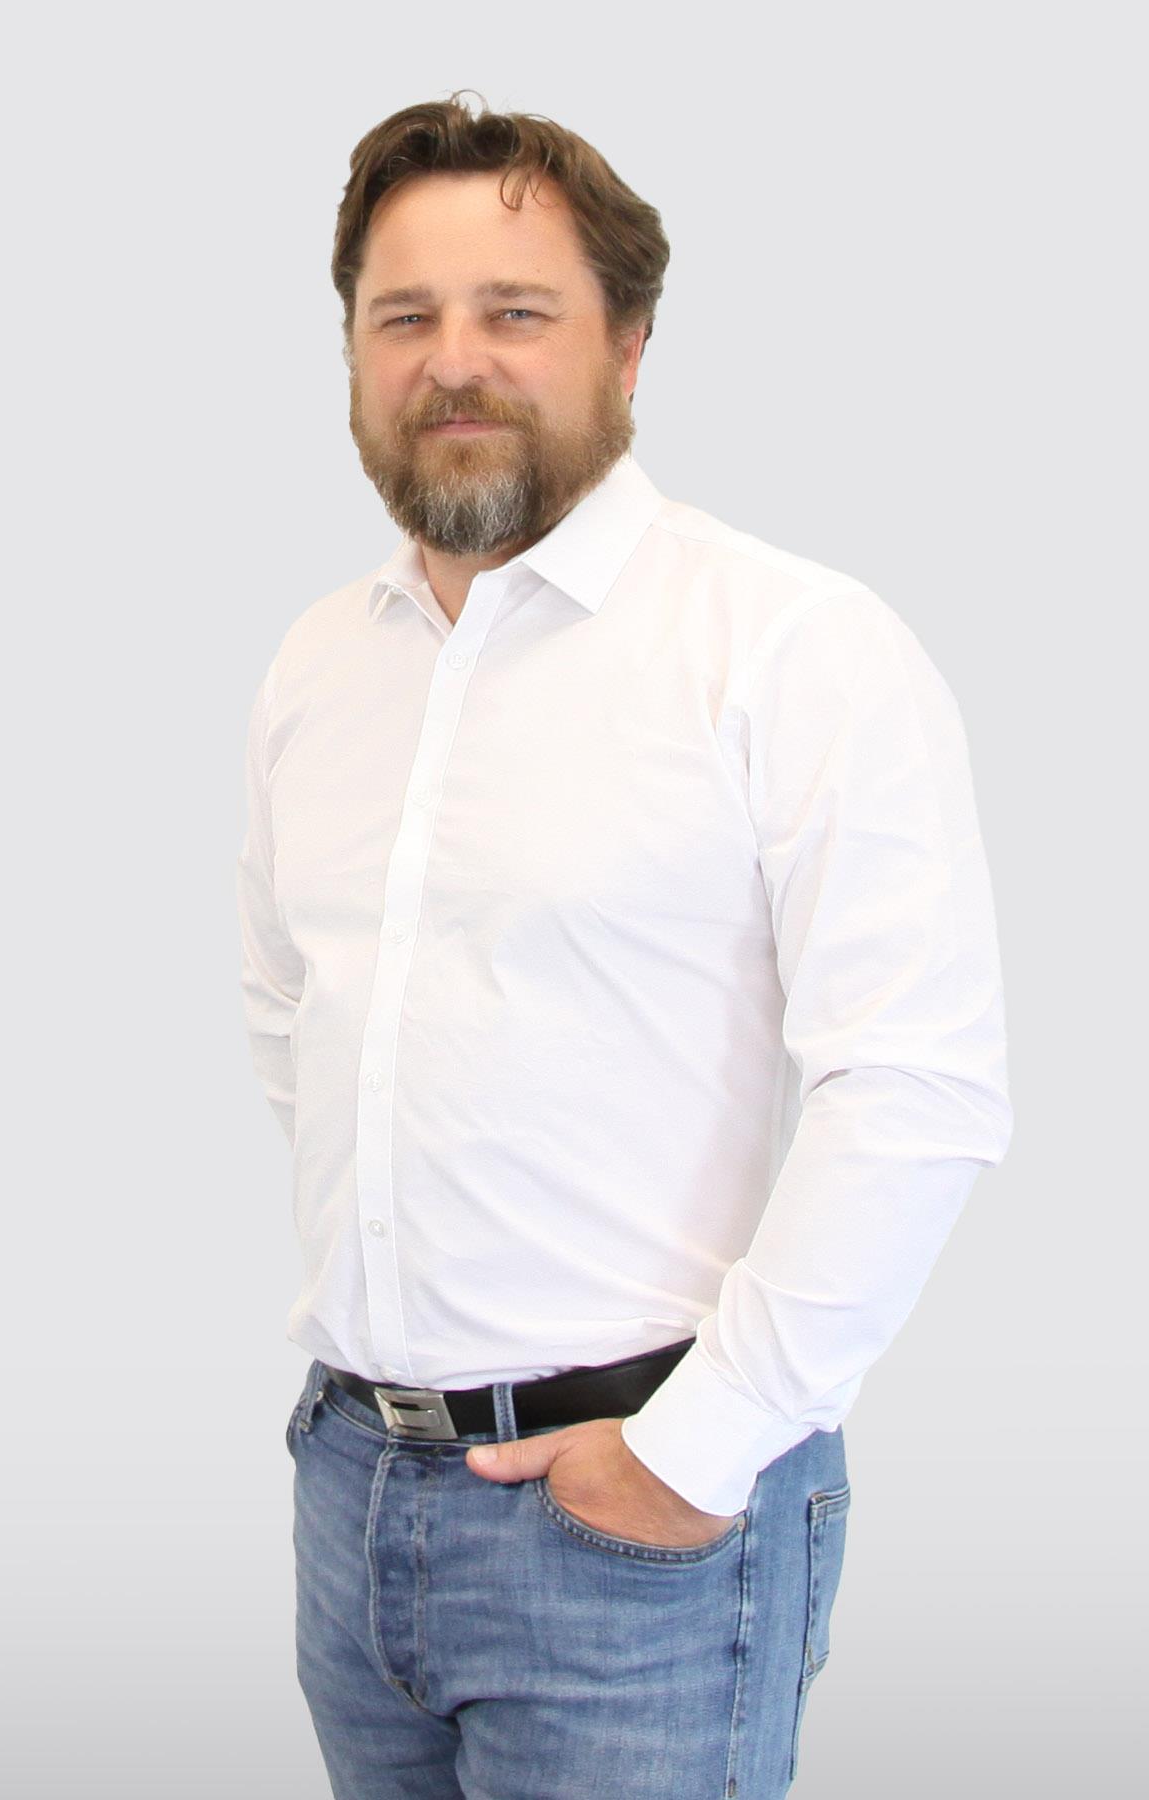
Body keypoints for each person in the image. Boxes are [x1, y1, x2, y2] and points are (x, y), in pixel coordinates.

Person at [236, 90, 1013, 1800]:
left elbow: (918, 1090)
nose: (455, 361)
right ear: (353, 352)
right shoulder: (319, 665)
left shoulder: (790, 649)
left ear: (632, 345)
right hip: (350, 1492)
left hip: (635, 1532)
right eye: (404, 316)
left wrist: (696, 1452)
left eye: (516, 311)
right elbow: (295, 1015)